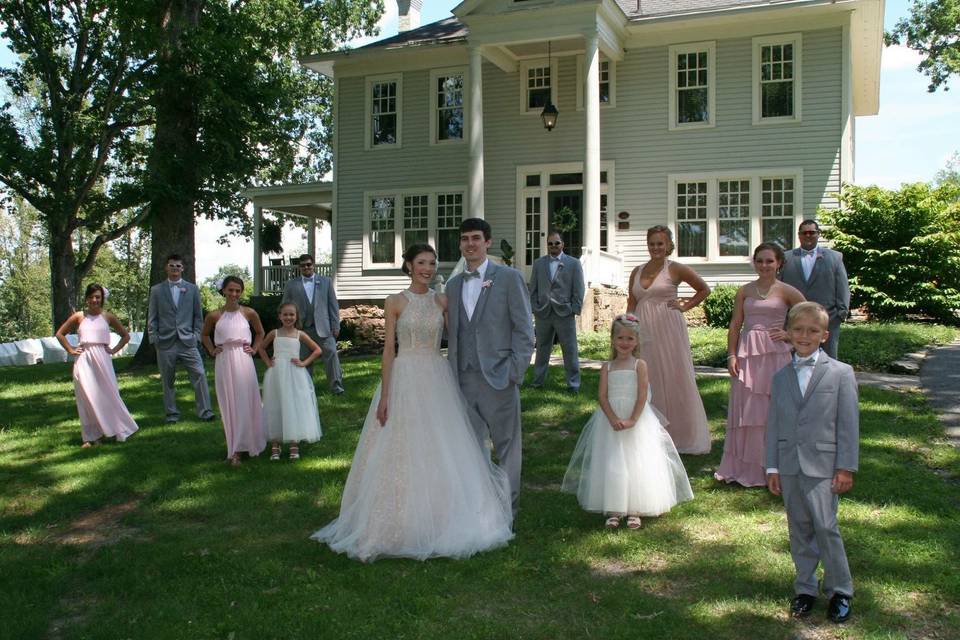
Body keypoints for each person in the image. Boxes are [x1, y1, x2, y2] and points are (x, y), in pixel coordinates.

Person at [312, 244, 514, 562]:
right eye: (421, 262)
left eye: (432, 263)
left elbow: (465, 334)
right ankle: (396, 521)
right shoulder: (394, 301)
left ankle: (444, 514)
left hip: (437, 376)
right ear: (408, 265)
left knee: (441, 443)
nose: (428, 268)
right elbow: (388, 351)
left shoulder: (442, 300)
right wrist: (386, 394)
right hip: (405, 375)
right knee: (401, 444)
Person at [766, 302, 859, 624]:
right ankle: (805, 588)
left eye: (812, 331)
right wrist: (772, 467)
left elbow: (848, 424)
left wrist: (845, 466)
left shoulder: (841, 373)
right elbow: (774, 424)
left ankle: (840, 590)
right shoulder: (780, 378)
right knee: (799, 528)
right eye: (798, 330)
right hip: (790, 464)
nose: (805, 335)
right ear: (789, 334)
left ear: (824, 335)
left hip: (824, 465)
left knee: (825, 527)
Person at [561, 314, 693, 529]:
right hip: (610, 420)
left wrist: (632, 419)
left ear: (637, 341)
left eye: (630, 339)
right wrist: (613, 418)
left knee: (636, 461)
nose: (625, 343)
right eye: (620, 338)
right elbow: (602, 396)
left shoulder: (639, 365)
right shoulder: (607, 367)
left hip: (636, 420)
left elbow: (642, 395)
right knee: (613, 462)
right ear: (612, 339)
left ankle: (635, 508)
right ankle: (614, 508)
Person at [445, 218, 535, 515]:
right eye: (464, 239)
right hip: (463, 377)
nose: (469, 244)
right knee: (471, 446)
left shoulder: (508, 277)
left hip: (500, 375)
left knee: (507, 445)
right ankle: (479, 507)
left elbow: (525, 329)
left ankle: (508, 509)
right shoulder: (453, 284)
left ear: (487, 242)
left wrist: (515, 370)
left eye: (475, 238)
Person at [715, 243, 805, 487]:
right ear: (754, 262)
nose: (764, 265)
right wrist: (731, 355)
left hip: (776, 356)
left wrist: (789, 335)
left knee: (774, 409)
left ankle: (776, 468)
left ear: (779, 264)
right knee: (747, 410)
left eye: (769, 261)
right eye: (760, 260)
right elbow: (735, 324)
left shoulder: (787, 291)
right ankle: (746, 466)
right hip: (748, 355)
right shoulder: (744, 291)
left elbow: (810, 315)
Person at [627, 225, 711, 455]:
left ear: (668, 245)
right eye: (652, 243)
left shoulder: (676, 269)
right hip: (643, 329)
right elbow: (632, 303)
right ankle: (647, 433)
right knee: (647, 376)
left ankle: (681, 434)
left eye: (660, 244)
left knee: (673, 376)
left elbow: (703, 289)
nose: (656, 248)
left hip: (669, 328)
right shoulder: (636, 271)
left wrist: (685, 305)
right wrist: (628, 327)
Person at [55, 284, 139, 447]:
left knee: (109, 394)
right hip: (84, 359)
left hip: (103, 358)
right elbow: (60, 334)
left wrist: (113, 349)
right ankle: (91, 437)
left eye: (98, 297)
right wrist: (71, 350)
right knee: (86, 397)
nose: (94, 300)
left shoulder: (108, 316)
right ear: (86, 298)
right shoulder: (79, 316)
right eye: (92, 297)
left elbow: (125, 336)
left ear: (102, 299)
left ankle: (117, 428)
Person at [201, 276, 266, 465]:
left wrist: (254, 349)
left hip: (244, 360)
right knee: (229, 403)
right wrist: (212, 349)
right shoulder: (214, 315)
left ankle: (249, 442)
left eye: (238, 290)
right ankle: (235, 448)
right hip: (224, 360)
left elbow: (260, 332)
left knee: (246, 401)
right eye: (230, 290)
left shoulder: (249, 313)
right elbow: (204, 335)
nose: (234, 294)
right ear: (224, 291)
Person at [147, 253, 214, 423]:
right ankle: (171, 413)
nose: (175, 269)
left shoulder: (192, 289)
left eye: (178, 266)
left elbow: (198, 316)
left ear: (183, 268)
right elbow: (152, 317)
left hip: (188, 342)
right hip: (165, 342)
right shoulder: (156, 290)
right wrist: (154, 338)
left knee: (199, 374)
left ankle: (205, 411)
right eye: (172, 266)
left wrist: (196, 336)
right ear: (166, 268)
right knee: (168, 380)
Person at [259, 303, 323, 461]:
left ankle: (294, 442)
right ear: (279, 316)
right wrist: (268, 363)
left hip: (295, 374)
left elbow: (317, 350)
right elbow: (261, 348)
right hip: (277, 374)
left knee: (293, 405)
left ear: (296, 317)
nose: (288, 317)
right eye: (285, 314)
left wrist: (304, 362)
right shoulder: (274, 333)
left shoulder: (299, 334)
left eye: (291, 315)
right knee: (275, 405)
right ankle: (276, 443)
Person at [779, 220, 850, 359]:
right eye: (804, 233)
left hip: (827, 319)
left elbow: (842, 287)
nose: (808, 236)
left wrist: (841, 314)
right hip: (795, 321)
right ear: (799, 235)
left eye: (812, 232)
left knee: (827, 363)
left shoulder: (834, 257)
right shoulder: (786, 258)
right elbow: (779, 287)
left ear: (818, 234)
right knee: (793, 362)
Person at [528, 230, 586, 393]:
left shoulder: (573, 263)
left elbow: (579, 288)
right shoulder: (539, 263)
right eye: (550, 243)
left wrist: (574, 308)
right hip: (543, 312)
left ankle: (573, 384)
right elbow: (534, 288)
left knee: (569, 349)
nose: (553, 246)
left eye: (557, 243)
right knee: (541, 348)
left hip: (564, 312)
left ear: (563, 244)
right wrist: (534, 307)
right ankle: (538, 381)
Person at [281, 254, 344, 395]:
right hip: (302, 329)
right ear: (299, 267)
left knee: (332, 354)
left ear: (313, 265)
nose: (306, 267)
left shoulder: (325, 282)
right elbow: (285, 305)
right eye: (303, 265)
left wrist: (336, 325)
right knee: (304, 359)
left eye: (309, 264)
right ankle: (306, 389)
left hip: (324, 328)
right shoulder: (291, 285)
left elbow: (333, 305)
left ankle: (337, 387)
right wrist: (288, 326)